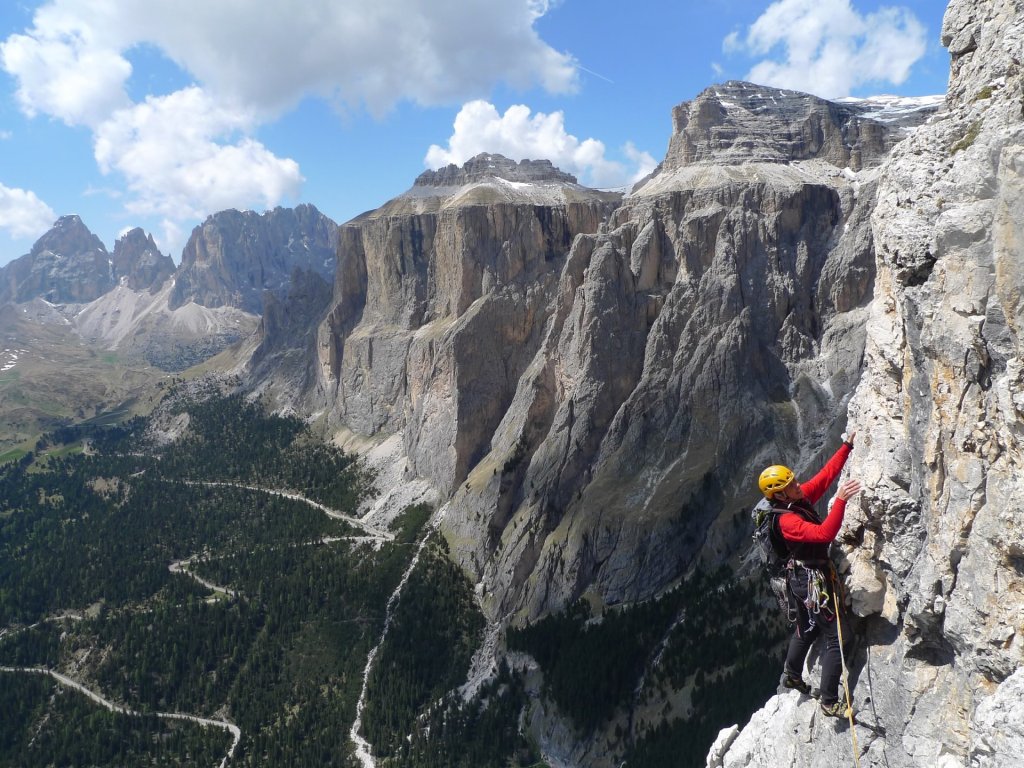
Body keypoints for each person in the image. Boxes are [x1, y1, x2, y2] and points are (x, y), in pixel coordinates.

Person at [757, 433, 862, 719]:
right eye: (790, 484)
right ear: (779, 494)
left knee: (807, 628)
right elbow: (824, 534)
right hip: (811, 582)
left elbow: (825, 476)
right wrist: (840, 501)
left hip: (799, 580)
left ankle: (792, 673)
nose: (797, 484)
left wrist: (846, 447)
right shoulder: (788, 520)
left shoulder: (796, 500)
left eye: (793, 480)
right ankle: (829, 700)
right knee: (840, 638)